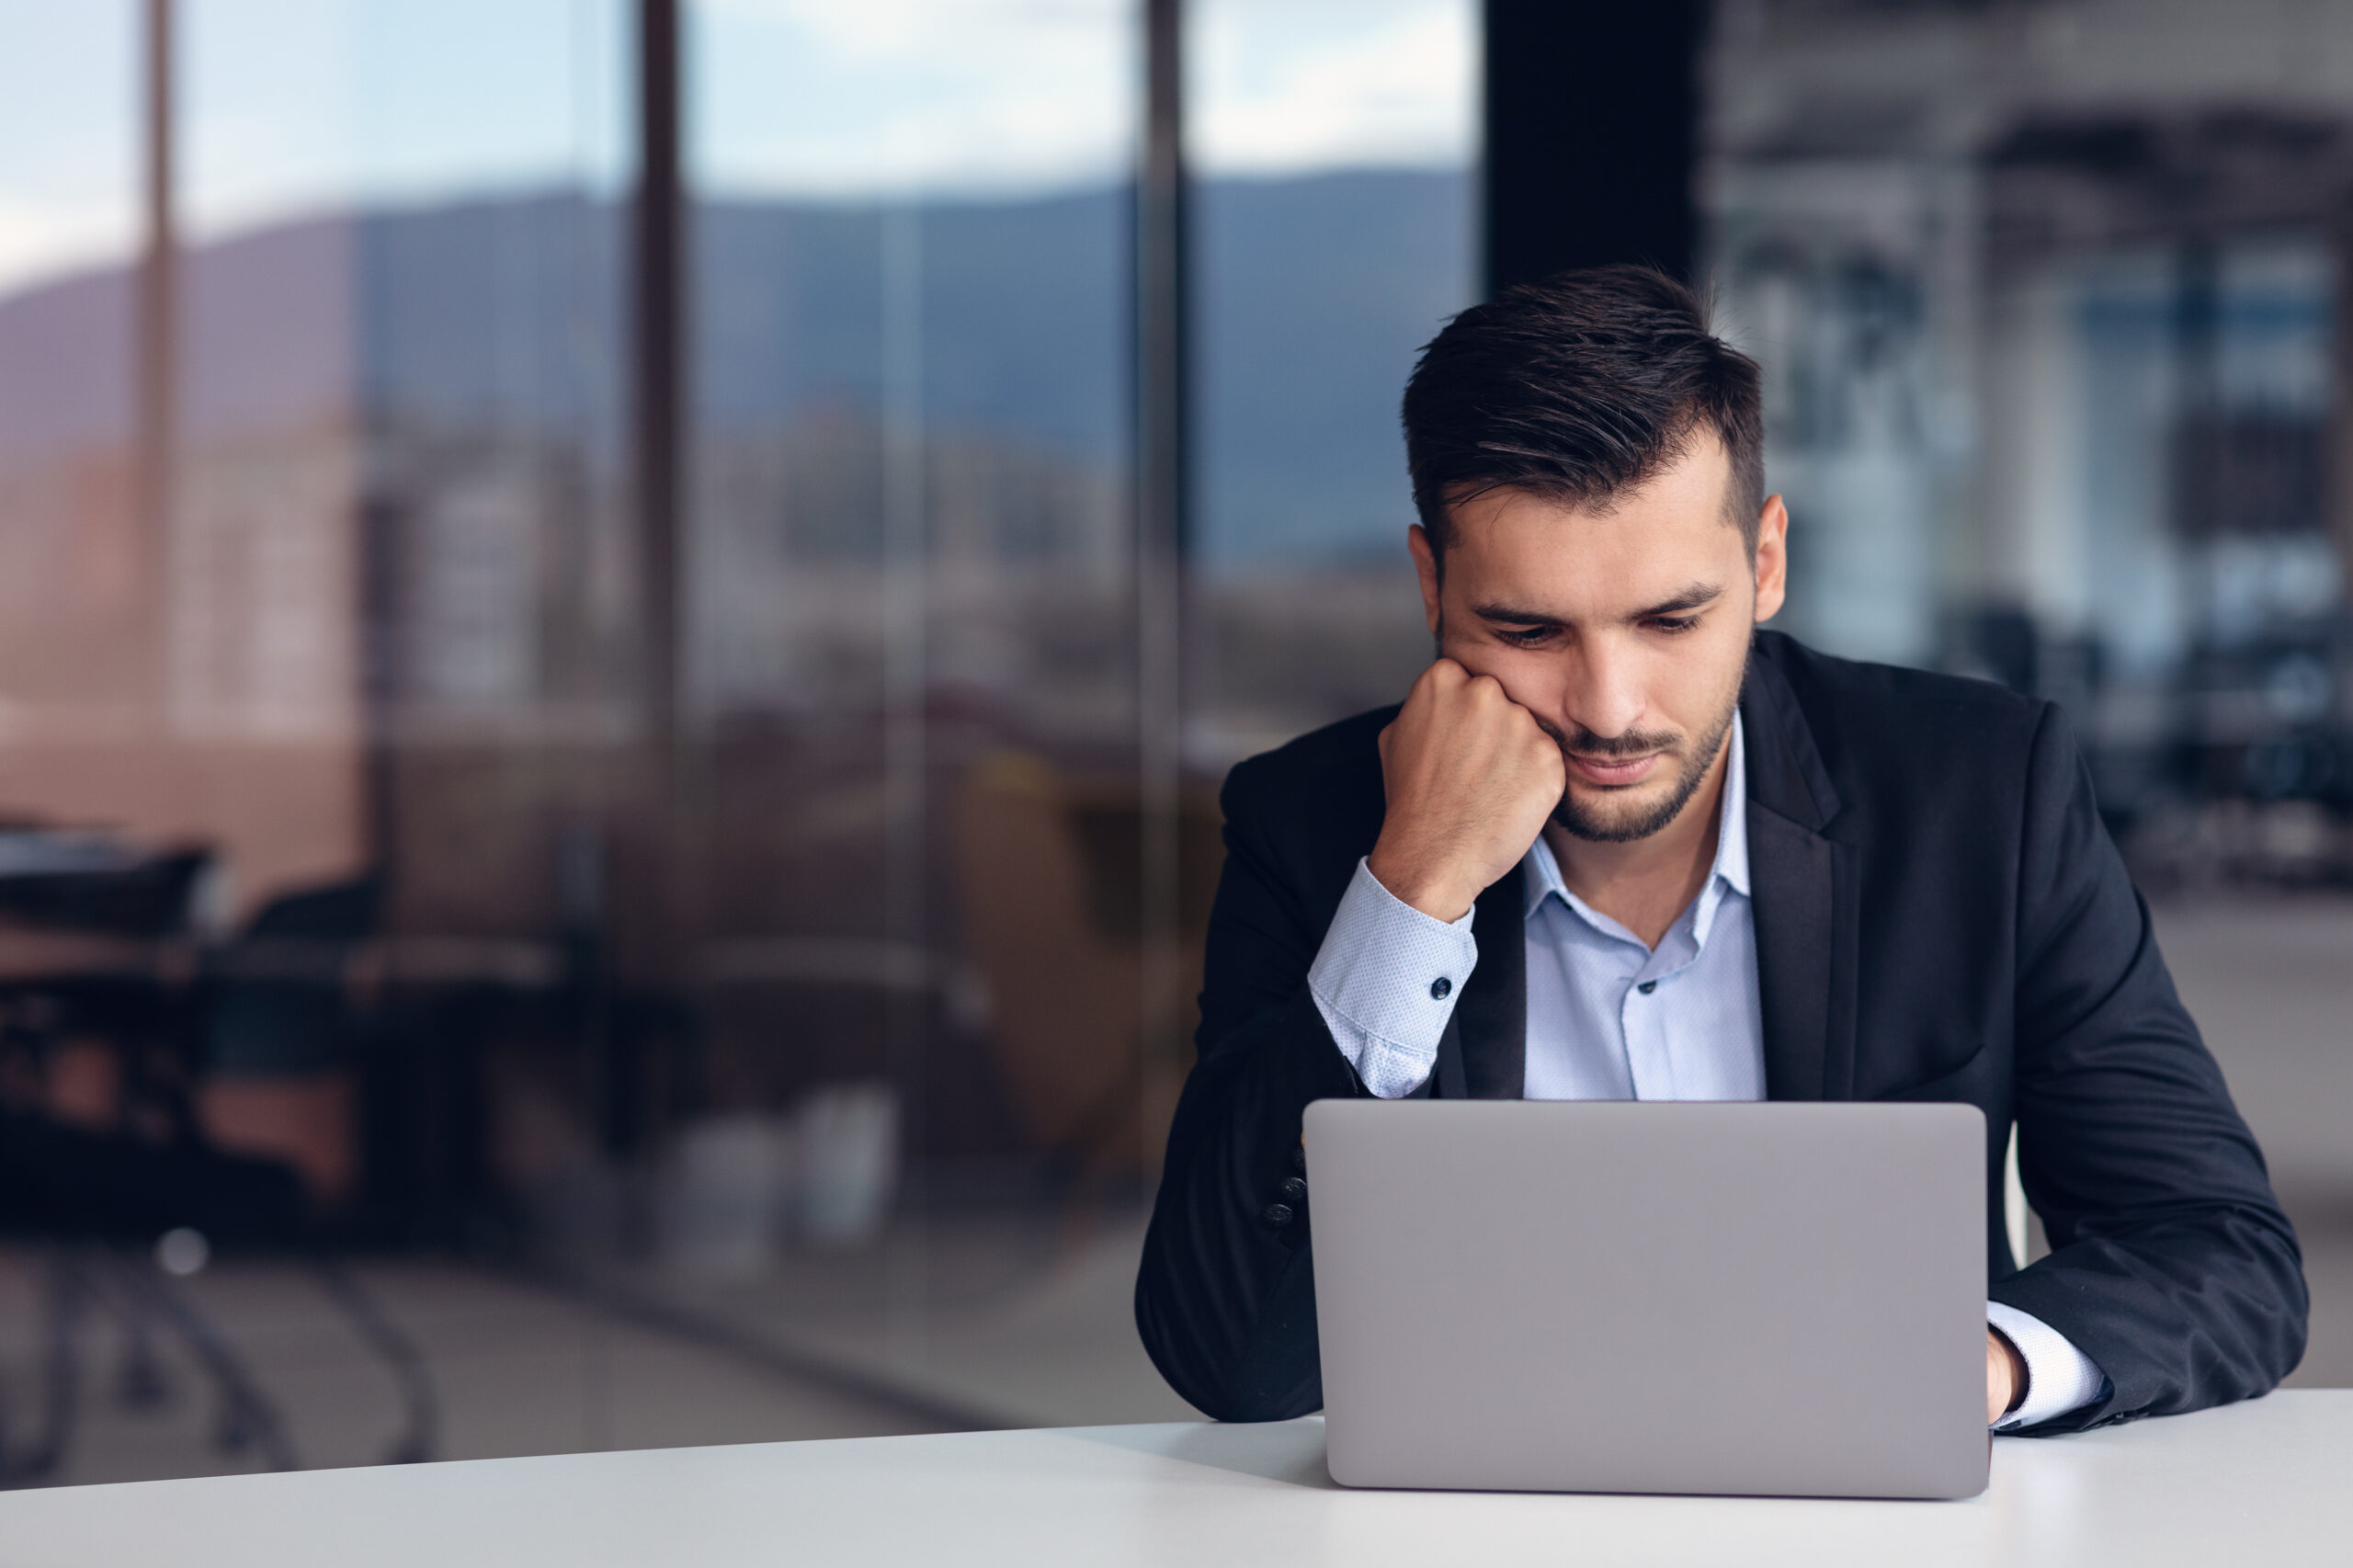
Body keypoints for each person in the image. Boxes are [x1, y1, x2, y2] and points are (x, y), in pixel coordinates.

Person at [1134, 264, 2306, 1433]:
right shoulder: (1317, 825)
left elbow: (2217, 1250)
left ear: (1766, 563)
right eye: (1529, 629)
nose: (1607, 706)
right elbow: (1227, 1357)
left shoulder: (1980, 794)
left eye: (1669, 619)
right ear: (1432, 583)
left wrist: (1972, 1364)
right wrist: (1412, 892)